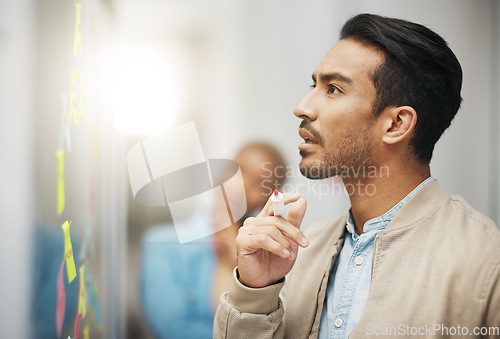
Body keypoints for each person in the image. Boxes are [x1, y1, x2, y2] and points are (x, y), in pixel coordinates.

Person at [214, 13, 500, 339]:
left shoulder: (484, 263)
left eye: (333, 88)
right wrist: (255, 292)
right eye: (314, 85)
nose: (302, 106)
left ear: (396, 124)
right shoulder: (302, 252)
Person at [140, 142, 286, 339]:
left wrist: (237, 259)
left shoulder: (273, 261)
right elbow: (172, 328)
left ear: (268, 200)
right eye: (239, 169)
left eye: (260, 183)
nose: (241, 185)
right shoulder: (160, 243)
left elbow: (273, 327)